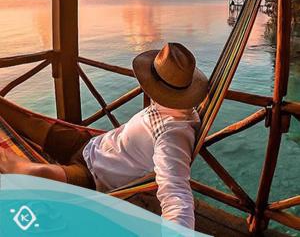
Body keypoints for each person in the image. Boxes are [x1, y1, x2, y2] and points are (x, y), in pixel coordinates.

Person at [0, 43, 208, 230]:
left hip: (92, 175)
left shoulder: (173, 136)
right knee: (28, 121)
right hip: (89, 144)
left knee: (41, 173)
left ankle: (14, 165)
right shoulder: (177, 108)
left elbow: (177, 194)